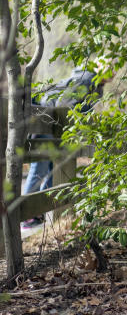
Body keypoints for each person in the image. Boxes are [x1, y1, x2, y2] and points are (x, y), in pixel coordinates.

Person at [21, 67, 103, 228]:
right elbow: (64, 104)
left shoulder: (89, 81)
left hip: (52, 125)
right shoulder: (85, 80)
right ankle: (29, 216)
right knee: (40, 166)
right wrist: (72, 125)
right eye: (111, 70)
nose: (113, 75)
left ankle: (39, 211)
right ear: (102, 69)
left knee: (53, 168)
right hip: (47, 123)